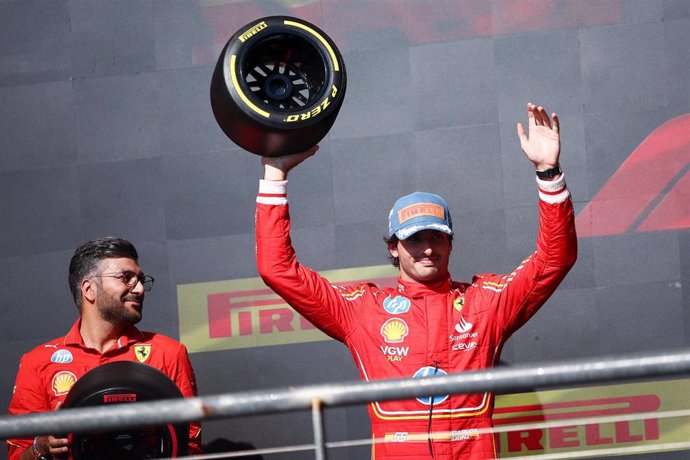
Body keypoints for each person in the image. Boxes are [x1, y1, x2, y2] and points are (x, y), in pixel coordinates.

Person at [255, 103, 577, 459]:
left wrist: (549, 173)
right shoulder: (363, 310)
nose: (427, 250)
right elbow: (278, 269)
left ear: (450, 242)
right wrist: (275, 175)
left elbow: (554, 259)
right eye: (414, 239)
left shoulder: (485, 303)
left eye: (436, 237)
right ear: (394, 248)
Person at [7, 237, 202, 460]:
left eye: (140, 279)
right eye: (126, 278)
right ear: (89, 289)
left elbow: (191, 448)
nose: (139, 289)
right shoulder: (37, 362)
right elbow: (17, 454)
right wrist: (41, 447)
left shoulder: (168, 353)